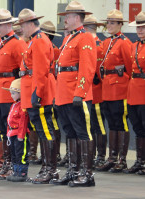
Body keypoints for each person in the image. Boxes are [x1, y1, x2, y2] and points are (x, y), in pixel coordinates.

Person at [50, 1, 97, 187]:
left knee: (82, 133)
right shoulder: (69, 38)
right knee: (70, 132)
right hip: (63, 93)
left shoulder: (85, 38)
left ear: (76, 18)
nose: (65, 21)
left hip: (76, 94)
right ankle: (73, 171)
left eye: (67, 17)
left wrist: (81, 92)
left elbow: (87, 67)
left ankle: (87, 174)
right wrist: (57, 95)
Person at [15, 9, 58, 184]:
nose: (21, 29)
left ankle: (50, 170)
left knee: (45, 131)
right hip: (34, 90)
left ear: (30, 24)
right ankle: (47, 168)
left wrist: (37, 95)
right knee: (42, 131)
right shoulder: (35, 41)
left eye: (22, 25)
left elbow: (40, 71)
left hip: (39, 92)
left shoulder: (39, 41)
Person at [0, 8, 26, 180]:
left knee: (14, 130)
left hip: (10, 92)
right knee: (2, 129)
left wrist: (19, 92)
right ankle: (7, 163)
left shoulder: (17, 43)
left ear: (9, 24)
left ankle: (16, 165)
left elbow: (23, 70)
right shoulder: (0, 43)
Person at [96, 9, 132, 173]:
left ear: (120, 25)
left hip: (120, 87)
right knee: (111, 123)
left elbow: (130, 68)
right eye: (108, 22)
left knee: (121, 123)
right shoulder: (106, 42)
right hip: (107, 87)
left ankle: (122, 160)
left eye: (112, 23)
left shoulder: (124, 42)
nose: (108, 25)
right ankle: (112, 158)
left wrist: (123, 80)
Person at [83, 15, 107, 168]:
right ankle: (93, 155)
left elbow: (98, 70)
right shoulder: (97, 44)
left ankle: (101, 155)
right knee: (92, 125)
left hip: (96, 90)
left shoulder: (97, 45)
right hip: (89, 89)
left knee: (98, 125)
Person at [124, 11, 145, 175]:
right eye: (138, 27)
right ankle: (140, 160)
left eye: (143, 27)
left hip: (144, 92)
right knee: (138, 128)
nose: (140, 30)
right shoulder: (135, 45)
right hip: (133, 92)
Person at [40, 20, 63, 165]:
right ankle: (48, 154)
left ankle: (55, 153)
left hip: (51, 87)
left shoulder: (53, 49)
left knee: (52, 122)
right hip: (47, 86)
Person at [2, 78, 30, 182]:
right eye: (11, 93)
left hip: (19, 134)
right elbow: (9, 121)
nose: (11, 95)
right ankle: (15, 172)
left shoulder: (22, 106)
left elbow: (23, 122)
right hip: (12, 133)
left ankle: (22, 173)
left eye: (13, 93)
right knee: (13, 153)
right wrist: (8, 134)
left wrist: (21, 136)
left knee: (21, 154)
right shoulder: (13, 105)